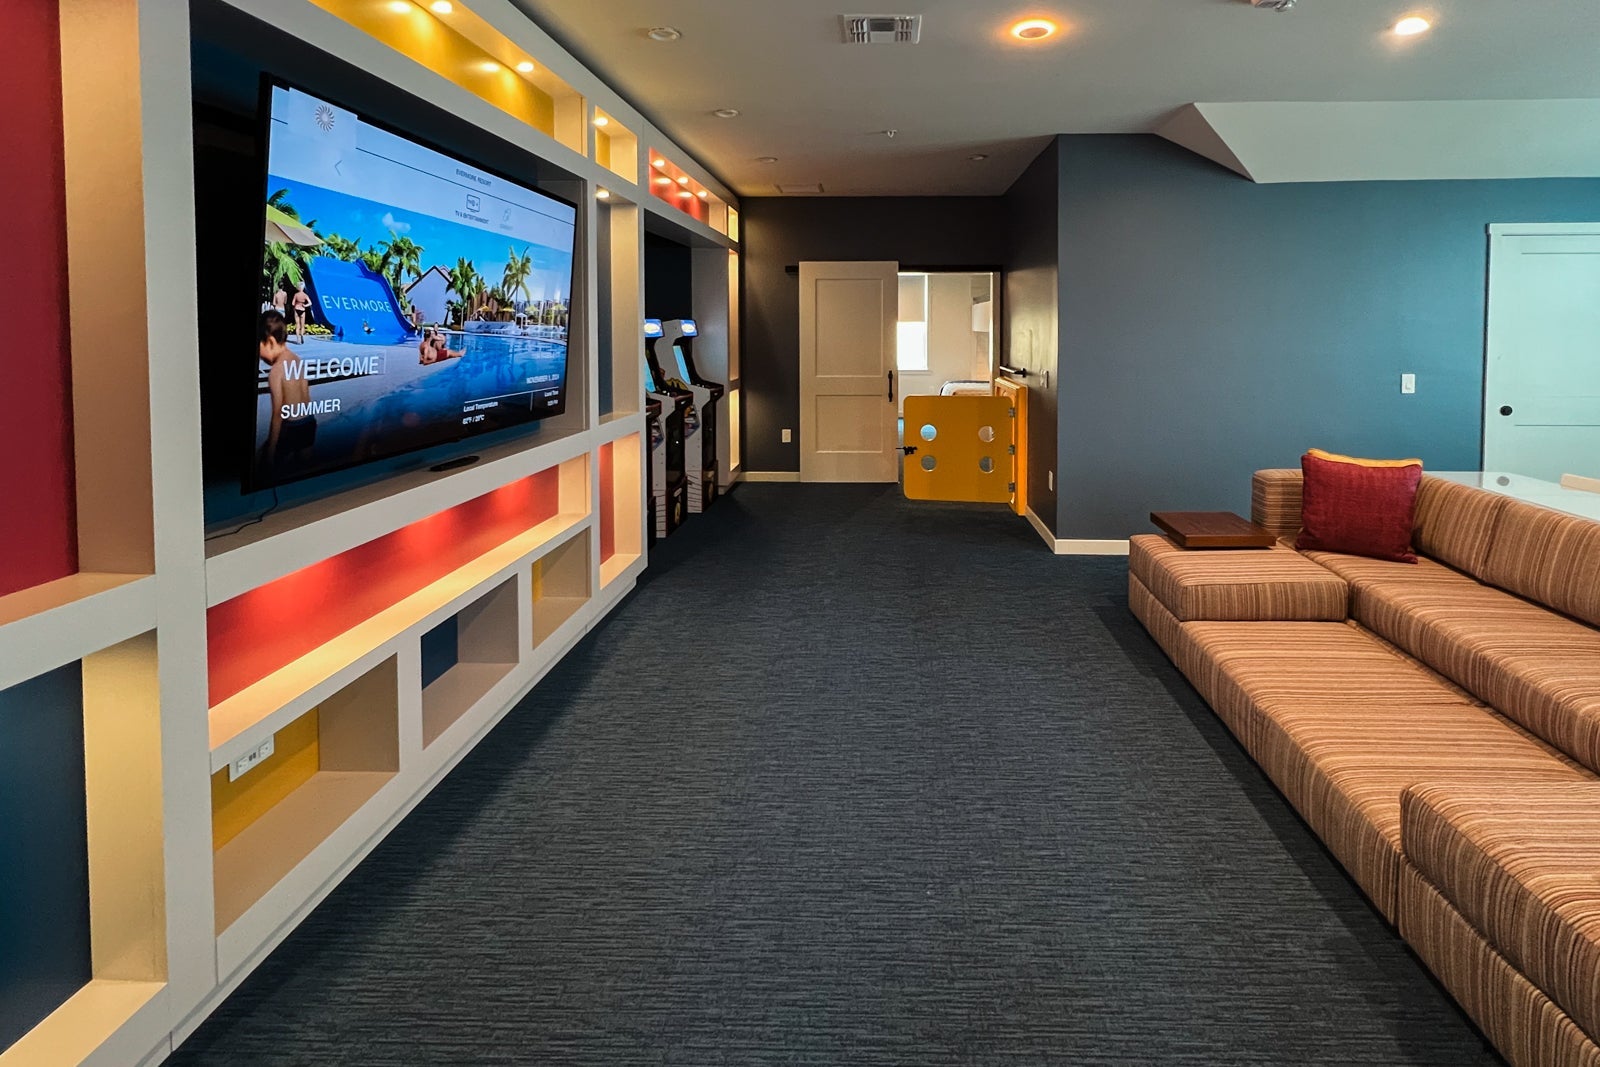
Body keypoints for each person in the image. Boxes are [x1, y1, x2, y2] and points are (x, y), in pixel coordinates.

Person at [259, 310, 316, 470]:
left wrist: (270, 451)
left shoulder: (276, 371)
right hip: (309, 422)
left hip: (291, 426)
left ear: (270, 342)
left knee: (273, 465)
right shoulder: (296, 359)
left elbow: (278, 414)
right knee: (304, 467)